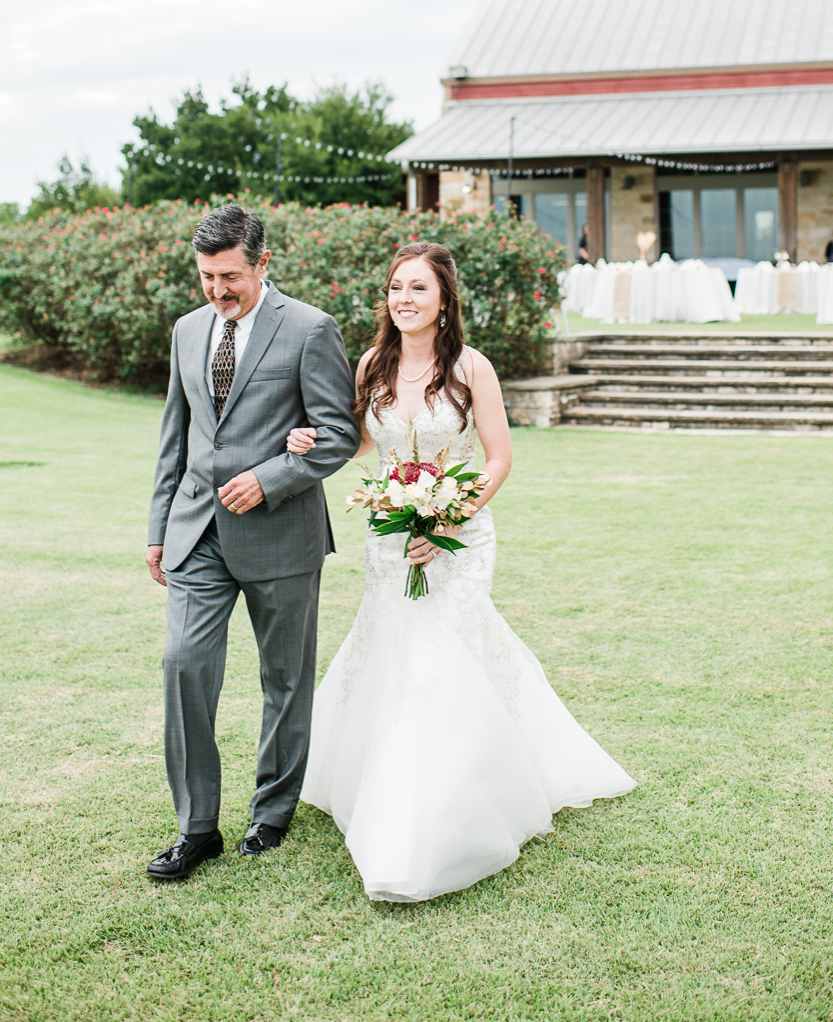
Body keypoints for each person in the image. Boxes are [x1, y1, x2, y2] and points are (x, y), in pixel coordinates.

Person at [284, 241, 635, 902]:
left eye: (417, 288)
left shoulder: (471, 366)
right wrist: (308, 436)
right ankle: (388, 781)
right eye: (394, 287)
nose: (403, 299)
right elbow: (363, 441)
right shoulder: (372, 363)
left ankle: (438, 814)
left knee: (441, 654)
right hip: (389, 536)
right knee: (392, 647)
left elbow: (498, 457)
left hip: (460, 533)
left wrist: (448, 518)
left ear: (444, 300)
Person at [142, 205, 360, 881]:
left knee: (284, 678)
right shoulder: (185, 331)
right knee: (183, 664)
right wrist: (157, 529)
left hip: (280, 533)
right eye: (206, 276)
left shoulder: (309, 328)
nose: (217, 289)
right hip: (196, 531)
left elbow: (338, 433)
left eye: (229, 275)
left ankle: (271, 810)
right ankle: (195, 827)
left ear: (263, 263)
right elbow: (174, 436)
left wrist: (268, 479)